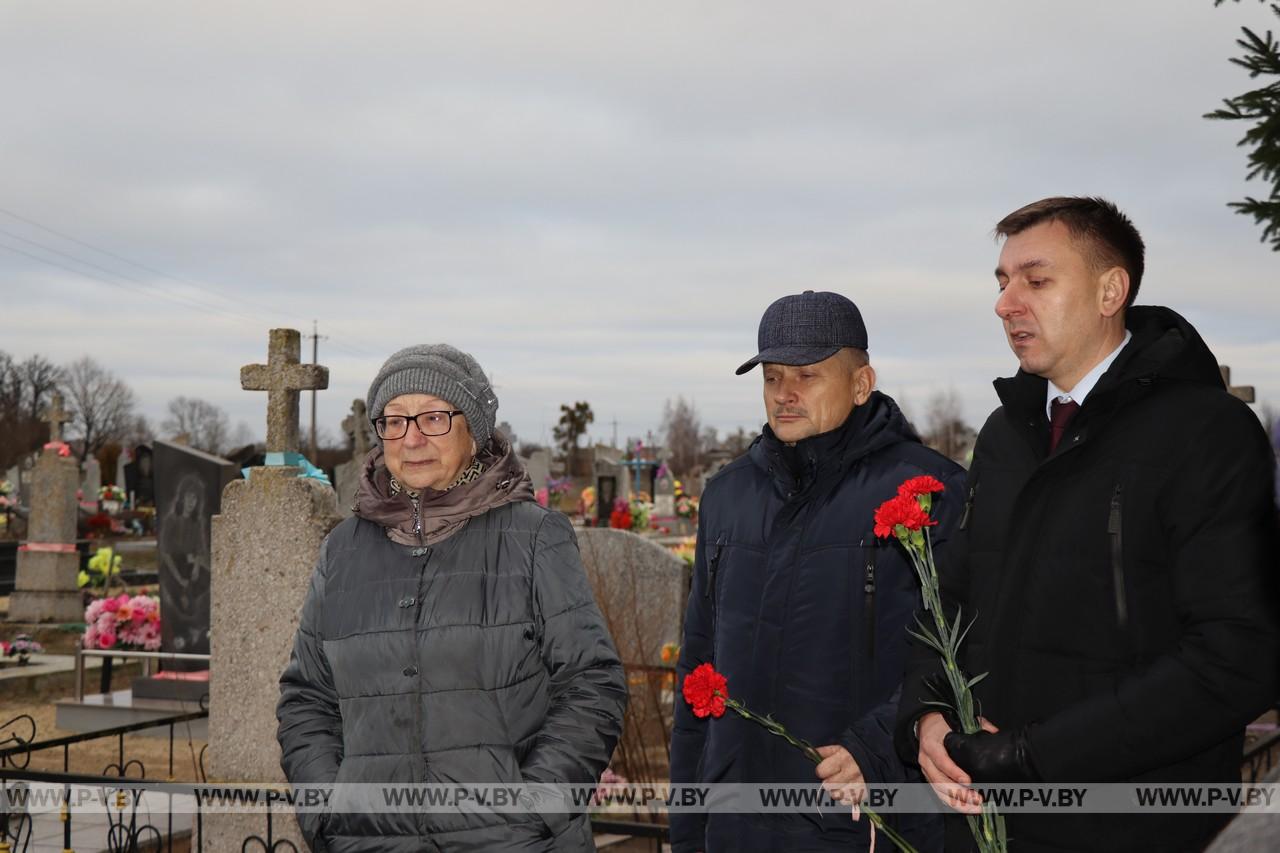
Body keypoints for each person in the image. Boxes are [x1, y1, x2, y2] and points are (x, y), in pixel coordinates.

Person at [896, 197, 1280, 852]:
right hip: (984, 823)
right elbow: (951, 603)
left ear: (1111, 289)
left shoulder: (1204, 433)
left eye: (1036, 280)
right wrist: (924, 718)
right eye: (1001, 281)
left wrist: (1035, 753)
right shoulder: (1004, 435)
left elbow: (1235, 654)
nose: (1006, 303)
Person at [277, 344, 628, 852]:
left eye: (435, 418)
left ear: (474, 431)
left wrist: (530, 813)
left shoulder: (533, 537)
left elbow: (592, 683)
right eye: (394, 421)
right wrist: (329, 817)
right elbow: (307, 697)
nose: (412, 438)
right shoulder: (343, 551)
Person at [670, 291, 965, 852]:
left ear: (861, 383)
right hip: (737, 824)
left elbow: (959, 653)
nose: (785, 393)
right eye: (772, 377)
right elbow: (699, 668)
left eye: (807, 375)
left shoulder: (927, 492)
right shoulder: (728, 496)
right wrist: (688, 828)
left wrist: (876, 748)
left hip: (860, 820)